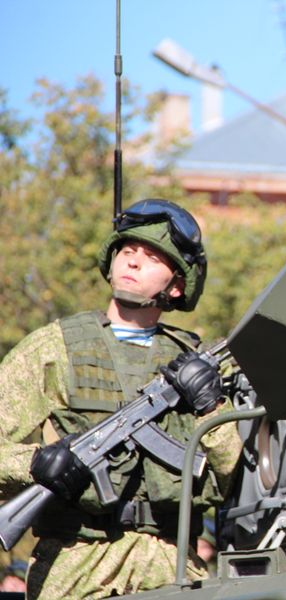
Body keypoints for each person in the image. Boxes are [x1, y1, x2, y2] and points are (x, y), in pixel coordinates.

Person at [0, 199, 242, 598]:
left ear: (176, 284)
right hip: (77, 565)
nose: (132, 262)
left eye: (151, 258)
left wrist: (211, 405)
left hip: (172, 564)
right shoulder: (55, 347)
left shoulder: (197, 364)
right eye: (127, 252)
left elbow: (228, 476)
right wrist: (36, 464)